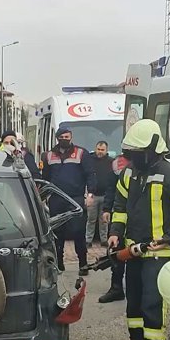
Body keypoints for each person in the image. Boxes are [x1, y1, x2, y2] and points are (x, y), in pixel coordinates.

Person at [108, 119, 170, 340]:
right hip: (134, 248)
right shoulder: (129, 173)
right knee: (134, 297)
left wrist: (168, 237)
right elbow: (119, 206)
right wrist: (116, 232)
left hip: (160, 252)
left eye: (137, 154)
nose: (132, 158)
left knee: (152, 300)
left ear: (151, 151)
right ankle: (136, 339)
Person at [41, 127, 97, 276]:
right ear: (57, 138)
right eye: (62, 137)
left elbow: (90, 174)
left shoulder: (81, 153)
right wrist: (43, 196)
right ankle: (59, 263)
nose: (64, 139)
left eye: (67, 136)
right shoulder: (48, 155)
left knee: (79, 232)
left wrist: (90, 194)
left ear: (71, 137)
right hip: (56, 199)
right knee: (57, 233)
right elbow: (45, 177)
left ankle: (83, 264)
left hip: (75, 199)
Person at [99, 152, 131, 304]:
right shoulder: (118, 163)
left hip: (143, 216)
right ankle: (116, 288)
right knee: (117, 250)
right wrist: (106, 209)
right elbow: (111, 188)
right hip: (120, 212)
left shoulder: (150, 163)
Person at [87, 141, 113, 247]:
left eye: (102, 150)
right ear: (95, 148)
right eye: (98, 149)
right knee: (91, 219)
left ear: (106, 150)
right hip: (93, 195)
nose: (100, 152)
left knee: (104, 220)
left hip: (106, 195)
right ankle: (88, 240)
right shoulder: (89, 160)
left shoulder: (111, 162)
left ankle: (104, 240)